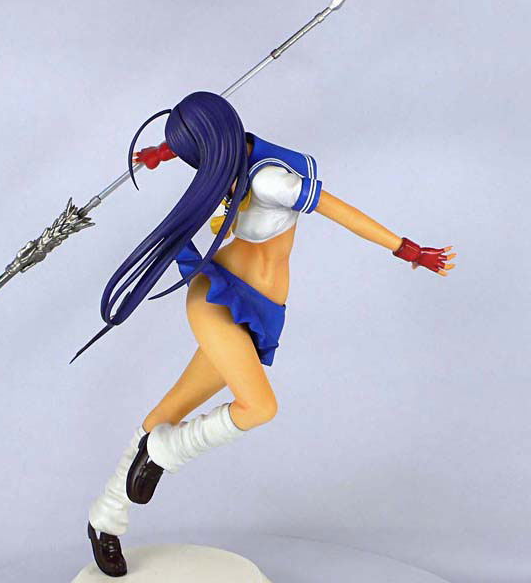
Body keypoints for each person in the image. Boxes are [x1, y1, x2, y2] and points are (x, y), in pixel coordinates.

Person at [80, 91, 455, 577]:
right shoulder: (229, 158)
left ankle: (104, 518)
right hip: (218, 296)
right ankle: (164, 451)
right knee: (259, 407)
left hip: (260, 309)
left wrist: (406, 249)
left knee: (165, 413)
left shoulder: (271, 180)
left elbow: (340, 211)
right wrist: (163, 152)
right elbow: (211, 142)